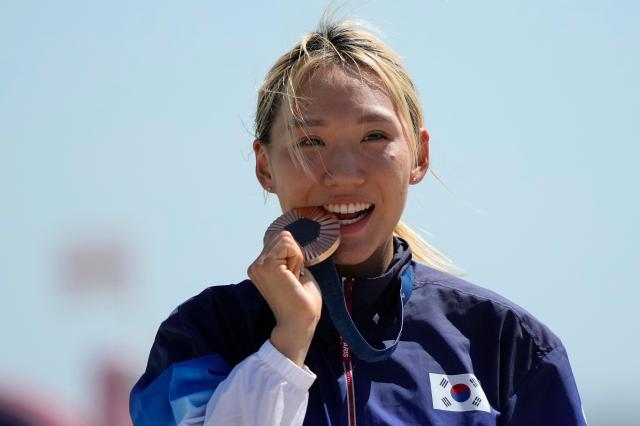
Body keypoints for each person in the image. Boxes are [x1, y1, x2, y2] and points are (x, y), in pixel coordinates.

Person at [129, 18, 587, 426]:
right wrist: (287, 342)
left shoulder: (509, 345)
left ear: (420, 155)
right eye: (311, 142)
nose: (344, 173)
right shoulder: (199, 339)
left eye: (374, 136)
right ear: (264, 166)